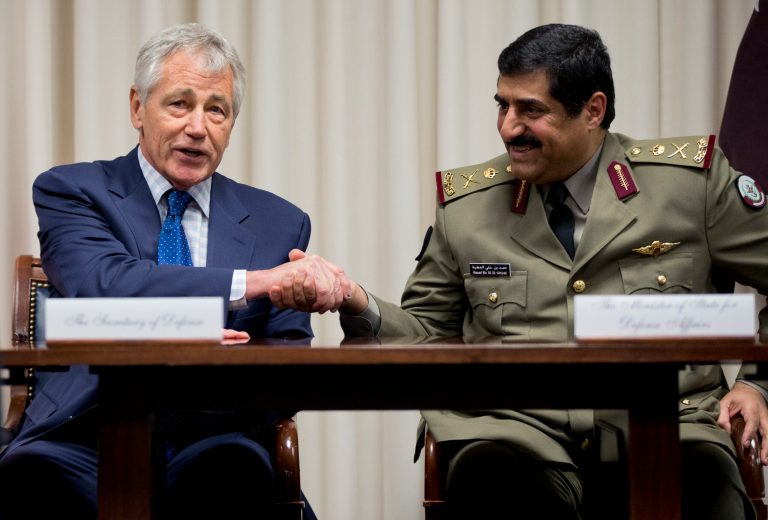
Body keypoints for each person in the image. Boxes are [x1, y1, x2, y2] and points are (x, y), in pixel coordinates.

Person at [272, 24, 768, 519]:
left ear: (593, 110)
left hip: (666, 425)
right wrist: (356, 299)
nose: (509, 126)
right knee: (490, 481)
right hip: (516, 433)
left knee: (705, 486)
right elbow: (428, 335)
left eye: (531, 110)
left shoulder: (691, 187)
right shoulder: (467, 206)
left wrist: (756, 383)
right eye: (502, 105)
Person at [0, 23, 350, 519]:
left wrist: (223, 374)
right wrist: (251, 284)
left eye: (216, 110)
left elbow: (287, 364)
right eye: (179, 104)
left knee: (236, 472)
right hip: (85, 435)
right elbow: (105, 286)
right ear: (137, 108)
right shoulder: (73, 191)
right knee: (31, 477)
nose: (197, 127)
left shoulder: (280, 223)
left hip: (218, 438)